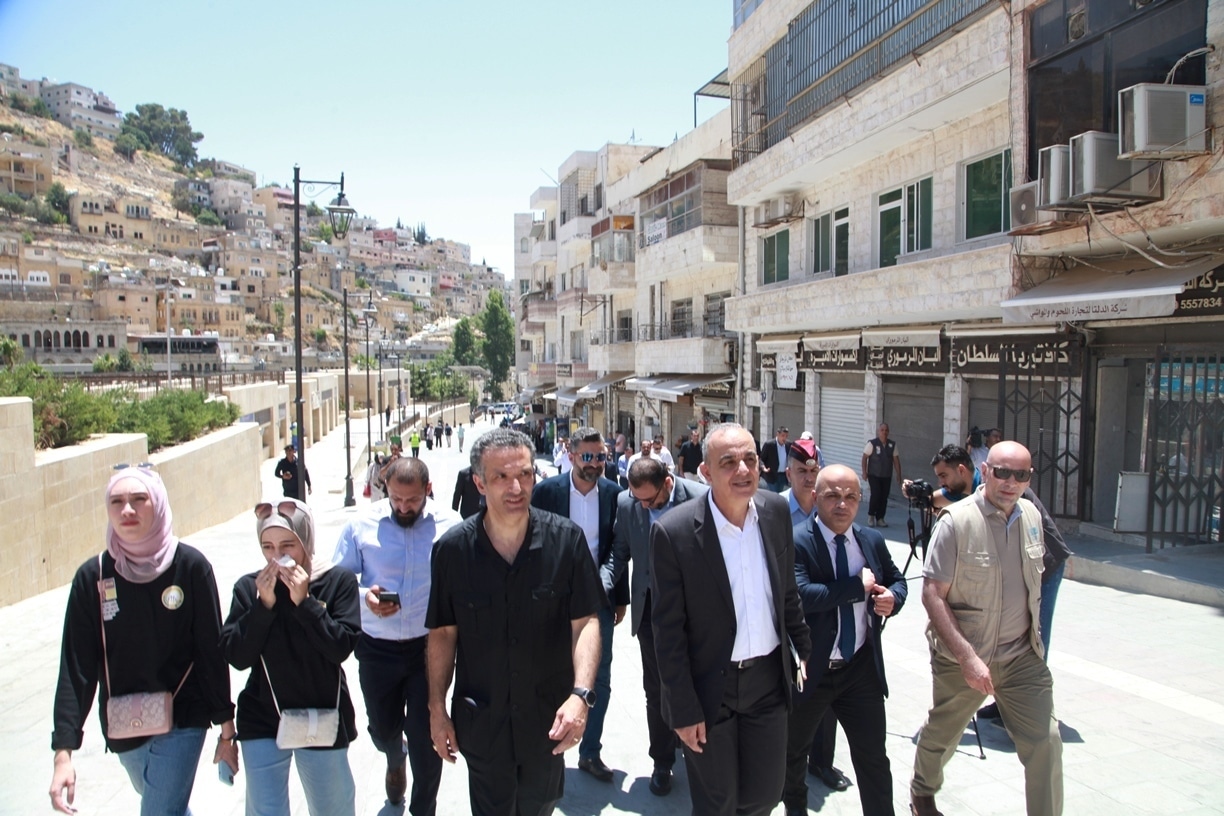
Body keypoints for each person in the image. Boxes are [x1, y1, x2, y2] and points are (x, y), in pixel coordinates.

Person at [425, 429, 605, 815]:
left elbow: (586, 622)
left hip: (547, 723)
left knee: (541, 807)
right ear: (479, 483)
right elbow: (442, 633)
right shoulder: (452, 552)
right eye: (501, 477)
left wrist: (580, 696)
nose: (516, 487)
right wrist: (436, 709)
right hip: (483, 724)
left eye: (524, 474)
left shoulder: (566, 542)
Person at [50, 466, 237, 816]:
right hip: (125, 725)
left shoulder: (190, 567)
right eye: (116, 501)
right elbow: (76, 668)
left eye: (139, 499)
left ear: (159, 503)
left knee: (159, 811)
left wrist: (226, 726)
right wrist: (63, 752)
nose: (127, 510)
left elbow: (210, 651)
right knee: (167, 807)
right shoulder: (93, 577)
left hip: (185, 716)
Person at [649, 422, 812, 815]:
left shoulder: (775, 512)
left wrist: (802, 648)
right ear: (705, 472)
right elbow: (667, 632)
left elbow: (786, 591)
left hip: (768, 683)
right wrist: (683, 709)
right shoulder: (674, 533)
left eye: (750, 460)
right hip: (709, 689)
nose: (743, 470)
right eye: (728, 462)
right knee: (717, 803)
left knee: (765, 795)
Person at [910, 441, 1063, 816]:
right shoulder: (957, 522)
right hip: (965, 656)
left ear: (1029, 479)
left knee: (1046, 740)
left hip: (1020, 656)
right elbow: (932, 594)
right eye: (1002, 472)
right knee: (944, 732)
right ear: (985, 472)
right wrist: (967, 658)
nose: (1010, 482)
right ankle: (923, 792)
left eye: (1020, 475)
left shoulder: (1030, 516)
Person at [903, 444, 1071, 722]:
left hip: (1045, 562)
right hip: (1013, 560)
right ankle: (1001, 697)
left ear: (962, 470)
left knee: (1034, 633)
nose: (941, 483)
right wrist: (920, 494)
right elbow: (947, 499)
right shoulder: (975, 486)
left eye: (943, 476)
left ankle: (1025, 703)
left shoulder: (1004, 485)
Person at [332, 457, 462, 813]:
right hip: (377, 649)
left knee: (427, 736)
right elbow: (337, 584)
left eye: (413, 500)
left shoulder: (451, 526)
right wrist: (365, 598)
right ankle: (393, 755)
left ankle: (423, 808)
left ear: (428, 490)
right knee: (382, 729)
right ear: (385, 490)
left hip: (428, 650)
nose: (404, 508)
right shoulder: (360, 526)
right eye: (396, 499)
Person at [221, 498, 361, 816]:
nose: (278, 556)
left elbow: (340, 647)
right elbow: (237, 656)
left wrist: (306, 602)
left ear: (306, 541)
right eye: (267, 547)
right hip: (262, 717)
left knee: (333, 809)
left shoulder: (337, 581)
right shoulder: (249, 588)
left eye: (288, 545)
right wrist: (263, 606)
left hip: (321, 713)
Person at [783, 464, 907, 816]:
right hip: (810, 671)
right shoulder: (797, 541)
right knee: (793, 756)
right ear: (815, 497)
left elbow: (897, 580)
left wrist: (893, 599)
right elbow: (801, 595)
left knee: (873, 758)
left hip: (859, 669)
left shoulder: (870, 540)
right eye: (833, 496)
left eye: (851, 496)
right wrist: (856, 587)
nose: (842, 504)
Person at [602, 457, 708, 796]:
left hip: (696, 612)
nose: (644, 506)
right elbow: (620, 553)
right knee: (658, 688)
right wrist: (599, 586)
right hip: (651, 611)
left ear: (668, 482)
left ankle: (700, 752)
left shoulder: (700, 499)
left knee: (700, 683)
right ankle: (662, 761)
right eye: (639, 500)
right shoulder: (628, 503)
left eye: (650, 500)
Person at [531, 427, 627, 783]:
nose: (595, 463)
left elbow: (619, 549)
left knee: (598, 677)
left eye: (601, 457)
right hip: (552, 599)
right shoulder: (546, 492)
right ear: (571, 456)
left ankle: (590, 752)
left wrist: (619, 598)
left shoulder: (615, 495)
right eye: (587, 456)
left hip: (598, 598)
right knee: (549, 672)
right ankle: (548, 747)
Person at [778, 439, 846, 794]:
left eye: (813, 470)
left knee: (826, 693)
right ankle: (785, 764)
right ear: (787, 472)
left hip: (824, 617)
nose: (808, 477)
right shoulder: (773, 510)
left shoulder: (830, 509)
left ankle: (821, 761)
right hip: (784, 618)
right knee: (789, 695)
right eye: (801, 471)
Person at [861, 424, 901, 527]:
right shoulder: (872, 444)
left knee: (884, 497)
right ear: (879, 431)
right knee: (876, 494)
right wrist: (864, 472)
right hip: (874, 475)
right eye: (882, 430)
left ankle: (880, 518)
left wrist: (898, 475)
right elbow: (864, 457)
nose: (884, 432)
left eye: (886, 430)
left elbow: (896, 460)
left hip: (886, 475)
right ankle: (871, 516)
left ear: (888, 432)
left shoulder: (892, 445)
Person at [759, 426, 790, 493]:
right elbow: (761, 459)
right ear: (777, 434)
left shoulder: (788, 445)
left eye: (786, 436)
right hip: (772, 476)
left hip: (783, 476)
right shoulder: (769, 445)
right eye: (783, 436)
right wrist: (763, 468)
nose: (784, 438)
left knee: (781, 495)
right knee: (774, 495)